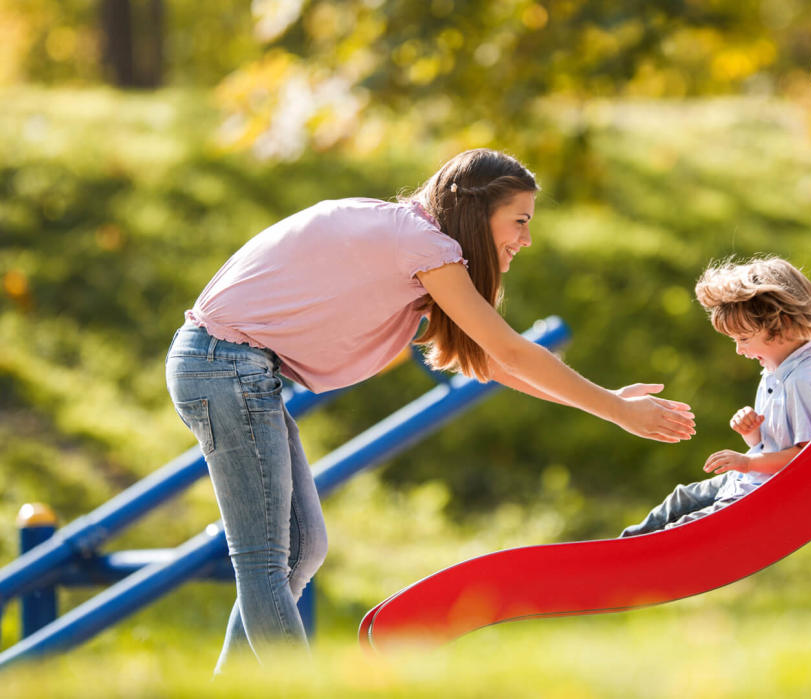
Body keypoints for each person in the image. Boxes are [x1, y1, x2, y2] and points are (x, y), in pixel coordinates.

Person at [165, 149, 697, 671]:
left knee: (302, 549)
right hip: (223, 365)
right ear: (476, 210)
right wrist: (614, 410)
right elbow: (509, 348)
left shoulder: (408, 243)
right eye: (519, 221)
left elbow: (490, 363)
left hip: (231, 368)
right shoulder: (420, 243)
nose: (526, 239)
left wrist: (607, 404)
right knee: (264, 559)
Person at [621, 256, 811, 537]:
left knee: (681, 532)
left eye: (743, 339)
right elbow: (773, 445)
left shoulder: (804, 380)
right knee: (681, 500)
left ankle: (631, 559)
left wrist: (748, 462)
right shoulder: (778, 368)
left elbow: (807, 457)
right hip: (747, 481)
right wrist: (753, 434)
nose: (739, 350)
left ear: (782, 326)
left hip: (760, 496)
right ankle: (622, 547)